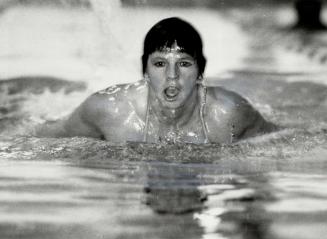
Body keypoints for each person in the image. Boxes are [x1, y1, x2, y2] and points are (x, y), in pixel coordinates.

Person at [37, 17, 275, 144]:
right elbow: (42, 137)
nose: (172, 76)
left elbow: (282, 141)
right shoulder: (108, 110)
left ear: (201, 72)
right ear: (145, 70)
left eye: (183, 63)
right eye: (160, 64)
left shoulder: (229, 114)